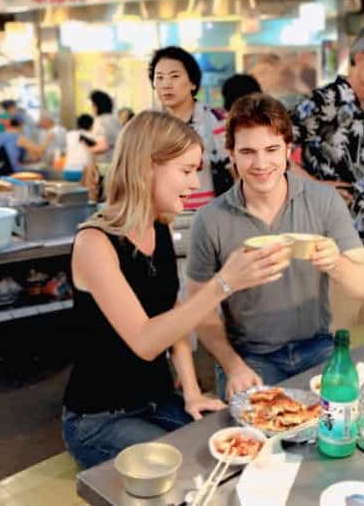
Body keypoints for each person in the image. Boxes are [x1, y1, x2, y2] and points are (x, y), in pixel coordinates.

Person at [62, 110, 288, 468]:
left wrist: (193, 393)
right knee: (193, 465)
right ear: (146, 167)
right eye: (186, 171)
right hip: (99, 419)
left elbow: (174, 315)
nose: (196, 183)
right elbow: (147, 341)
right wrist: (224, 283)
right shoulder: (95, 242)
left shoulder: (159, 229)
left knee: (240, 446)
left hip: (158, 400)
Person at [187, 94, 364, 400]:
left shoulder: (323, 201)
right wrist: (233, 366)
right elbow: (199, 310)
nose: (261, 164)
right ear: (231, 153)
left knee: (341, 421)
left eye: (272, 149)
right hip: (249, 355)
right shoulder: (209, 219)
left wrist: (335, 263)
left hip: (316, 346)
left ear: (289, 150)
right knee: (255, 439)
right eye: (248, 151)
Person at [291, 24, 364, 330]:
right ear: (363, 59)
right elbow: (277, 146)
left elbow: (358, 147)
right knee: (339, 325)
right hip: (337, 232)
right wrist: (313, 185)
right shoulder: (326, 101)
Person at [149, 46, 231, 203]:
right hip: (163, 215)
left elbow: (234, 171)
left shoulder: (214, 120)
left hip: (207, 213)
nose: (166, 84)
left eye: (174, 76)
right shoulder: (150, 125)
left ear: (193, 83)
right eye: (159, 77)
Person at [85, 90, 122, 161]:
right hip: (117, 161)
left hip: (104, 163)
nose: (92, 108)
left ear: (96, 106)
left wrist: (87, 149)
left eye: (92, 105)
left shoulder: (99, 121)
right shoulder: (115, 120)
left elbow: (103, 146)